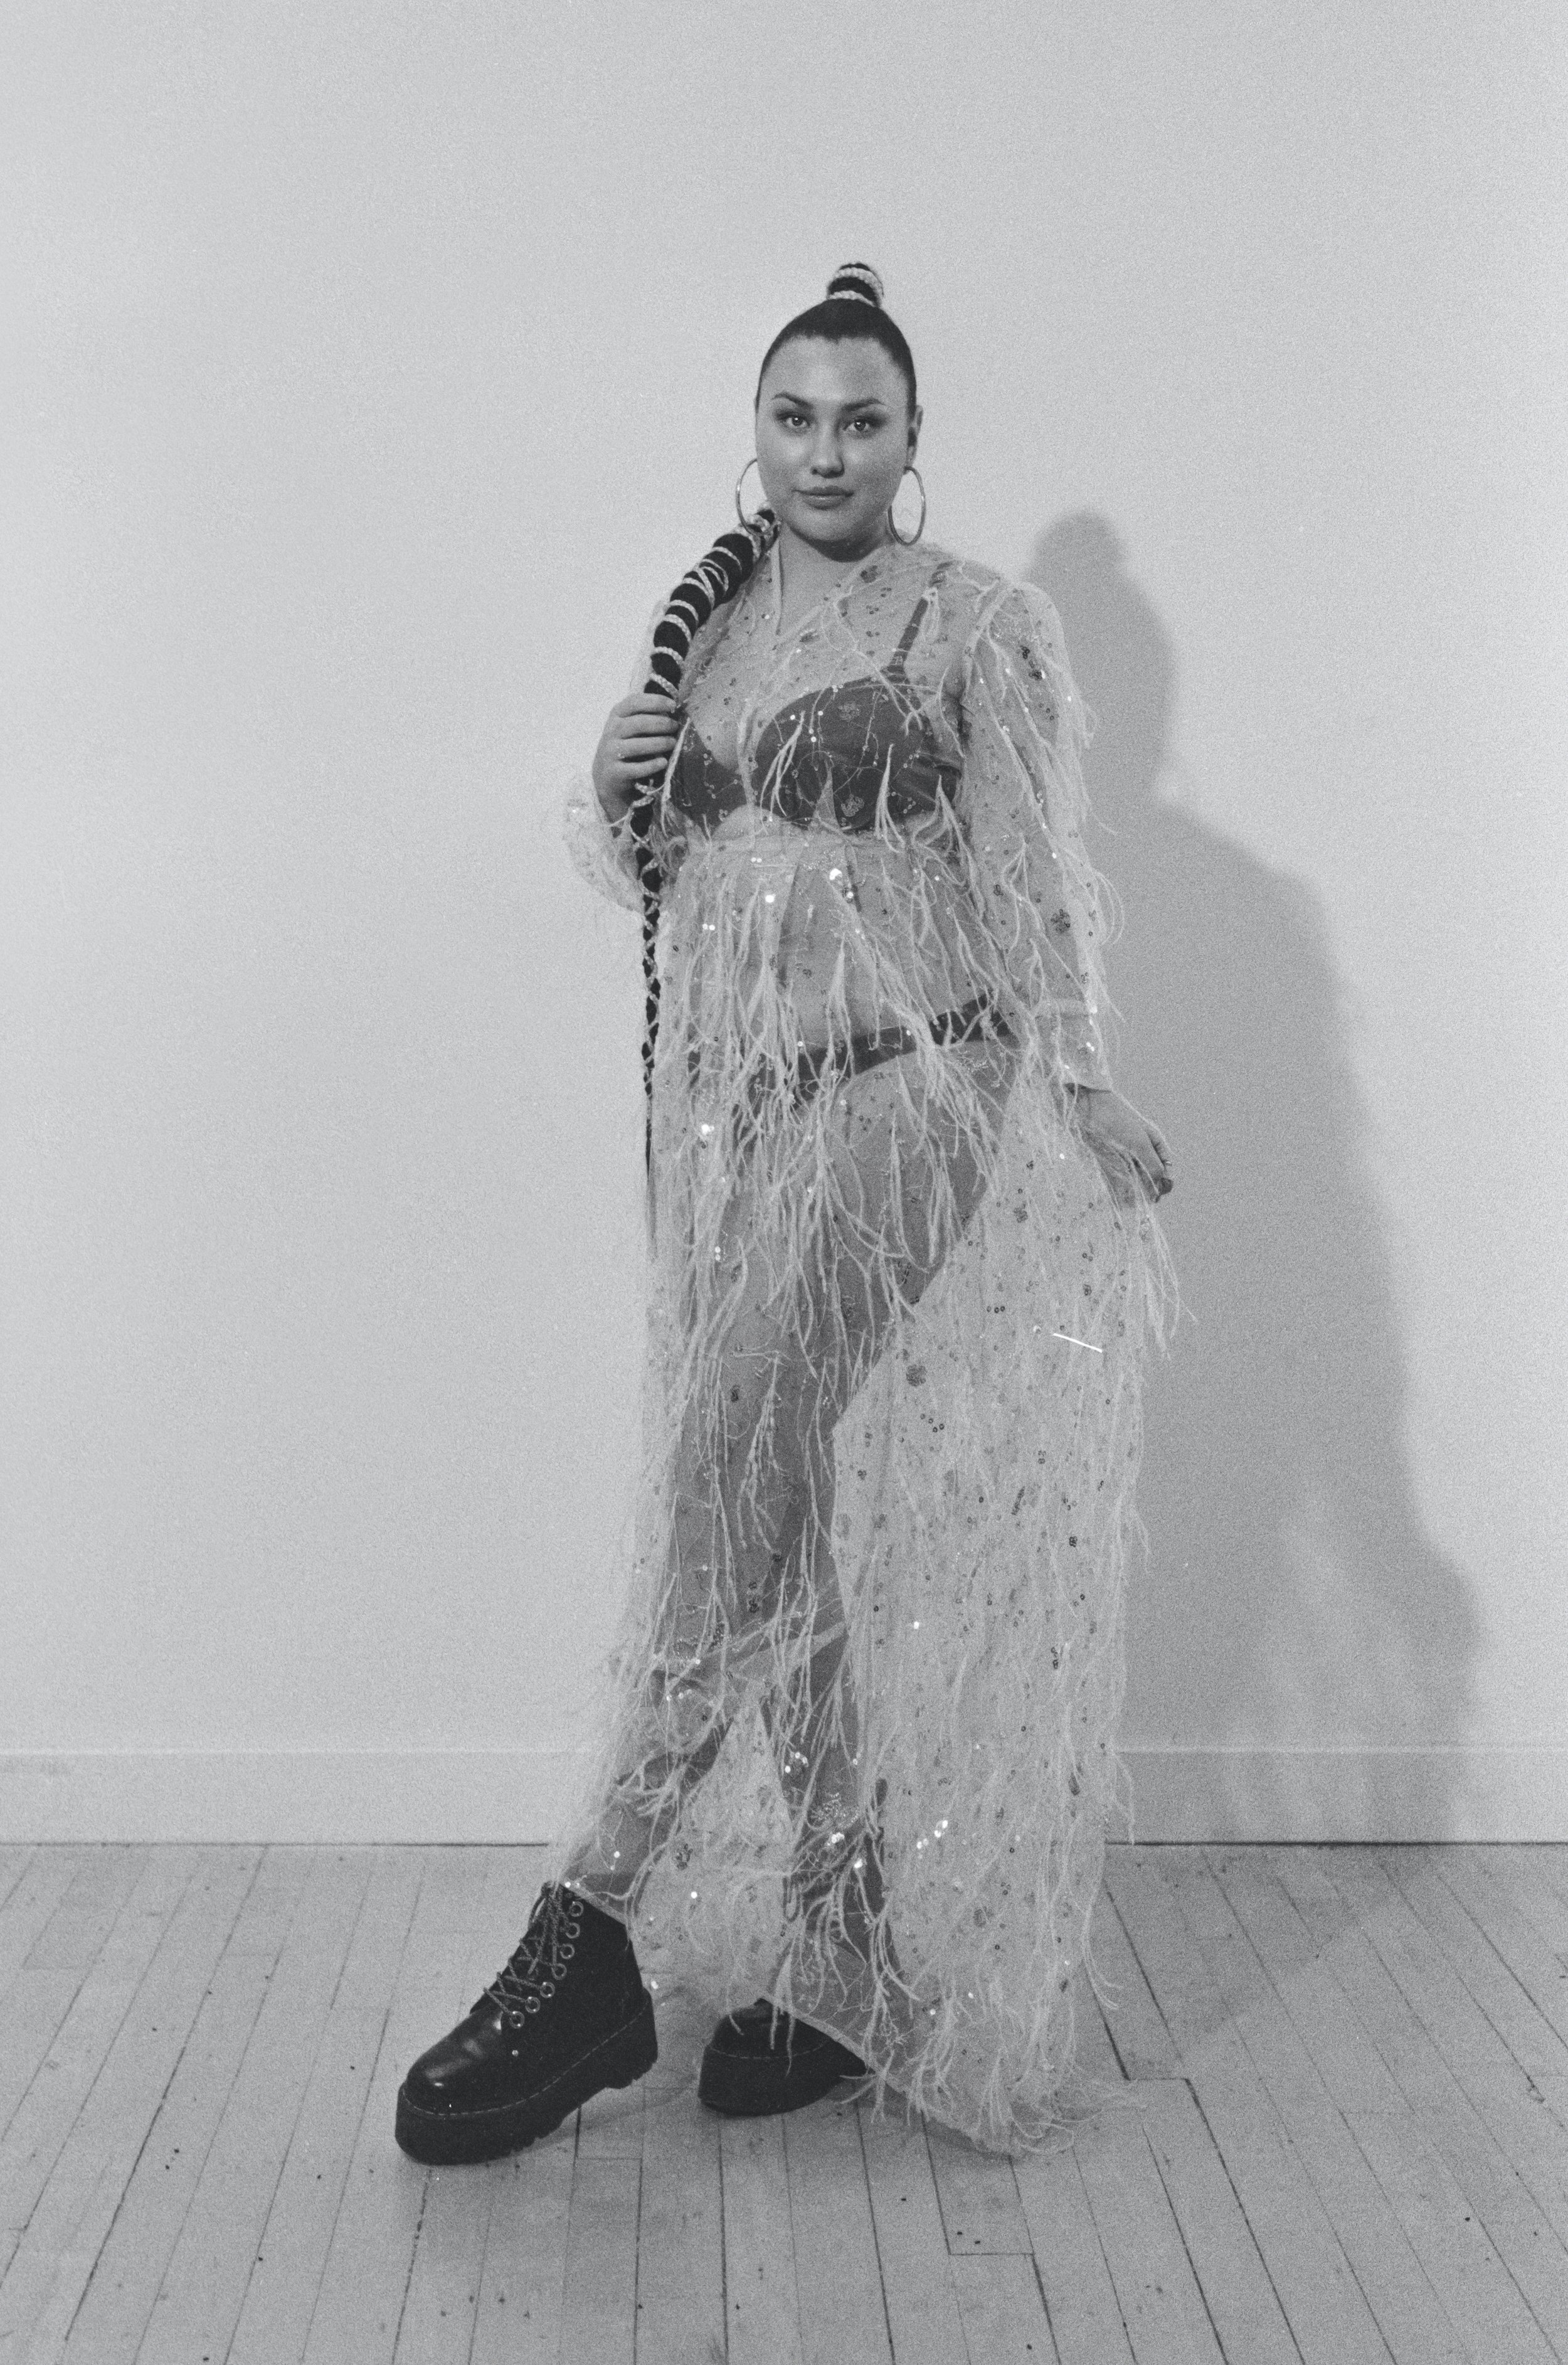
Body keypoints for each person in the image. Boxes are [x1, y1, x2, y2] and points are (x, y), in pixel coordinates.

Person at [395, 264, 1176, 2165]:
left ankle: (592, 1914)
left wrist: (1081, 1077)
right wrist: (613, 788)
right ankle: (845, 1948)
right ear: (756, 432)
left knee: (728, 1466)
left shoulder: (974, 624)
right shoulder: (718, 623)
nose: (827, 452)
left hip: (912, 1090)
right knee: (774, 1501)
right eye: (796, 419)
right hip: (736, 1119)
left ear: (913, 443)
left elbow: (1034, 875)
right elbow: (670, 868)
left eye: (862, 422)